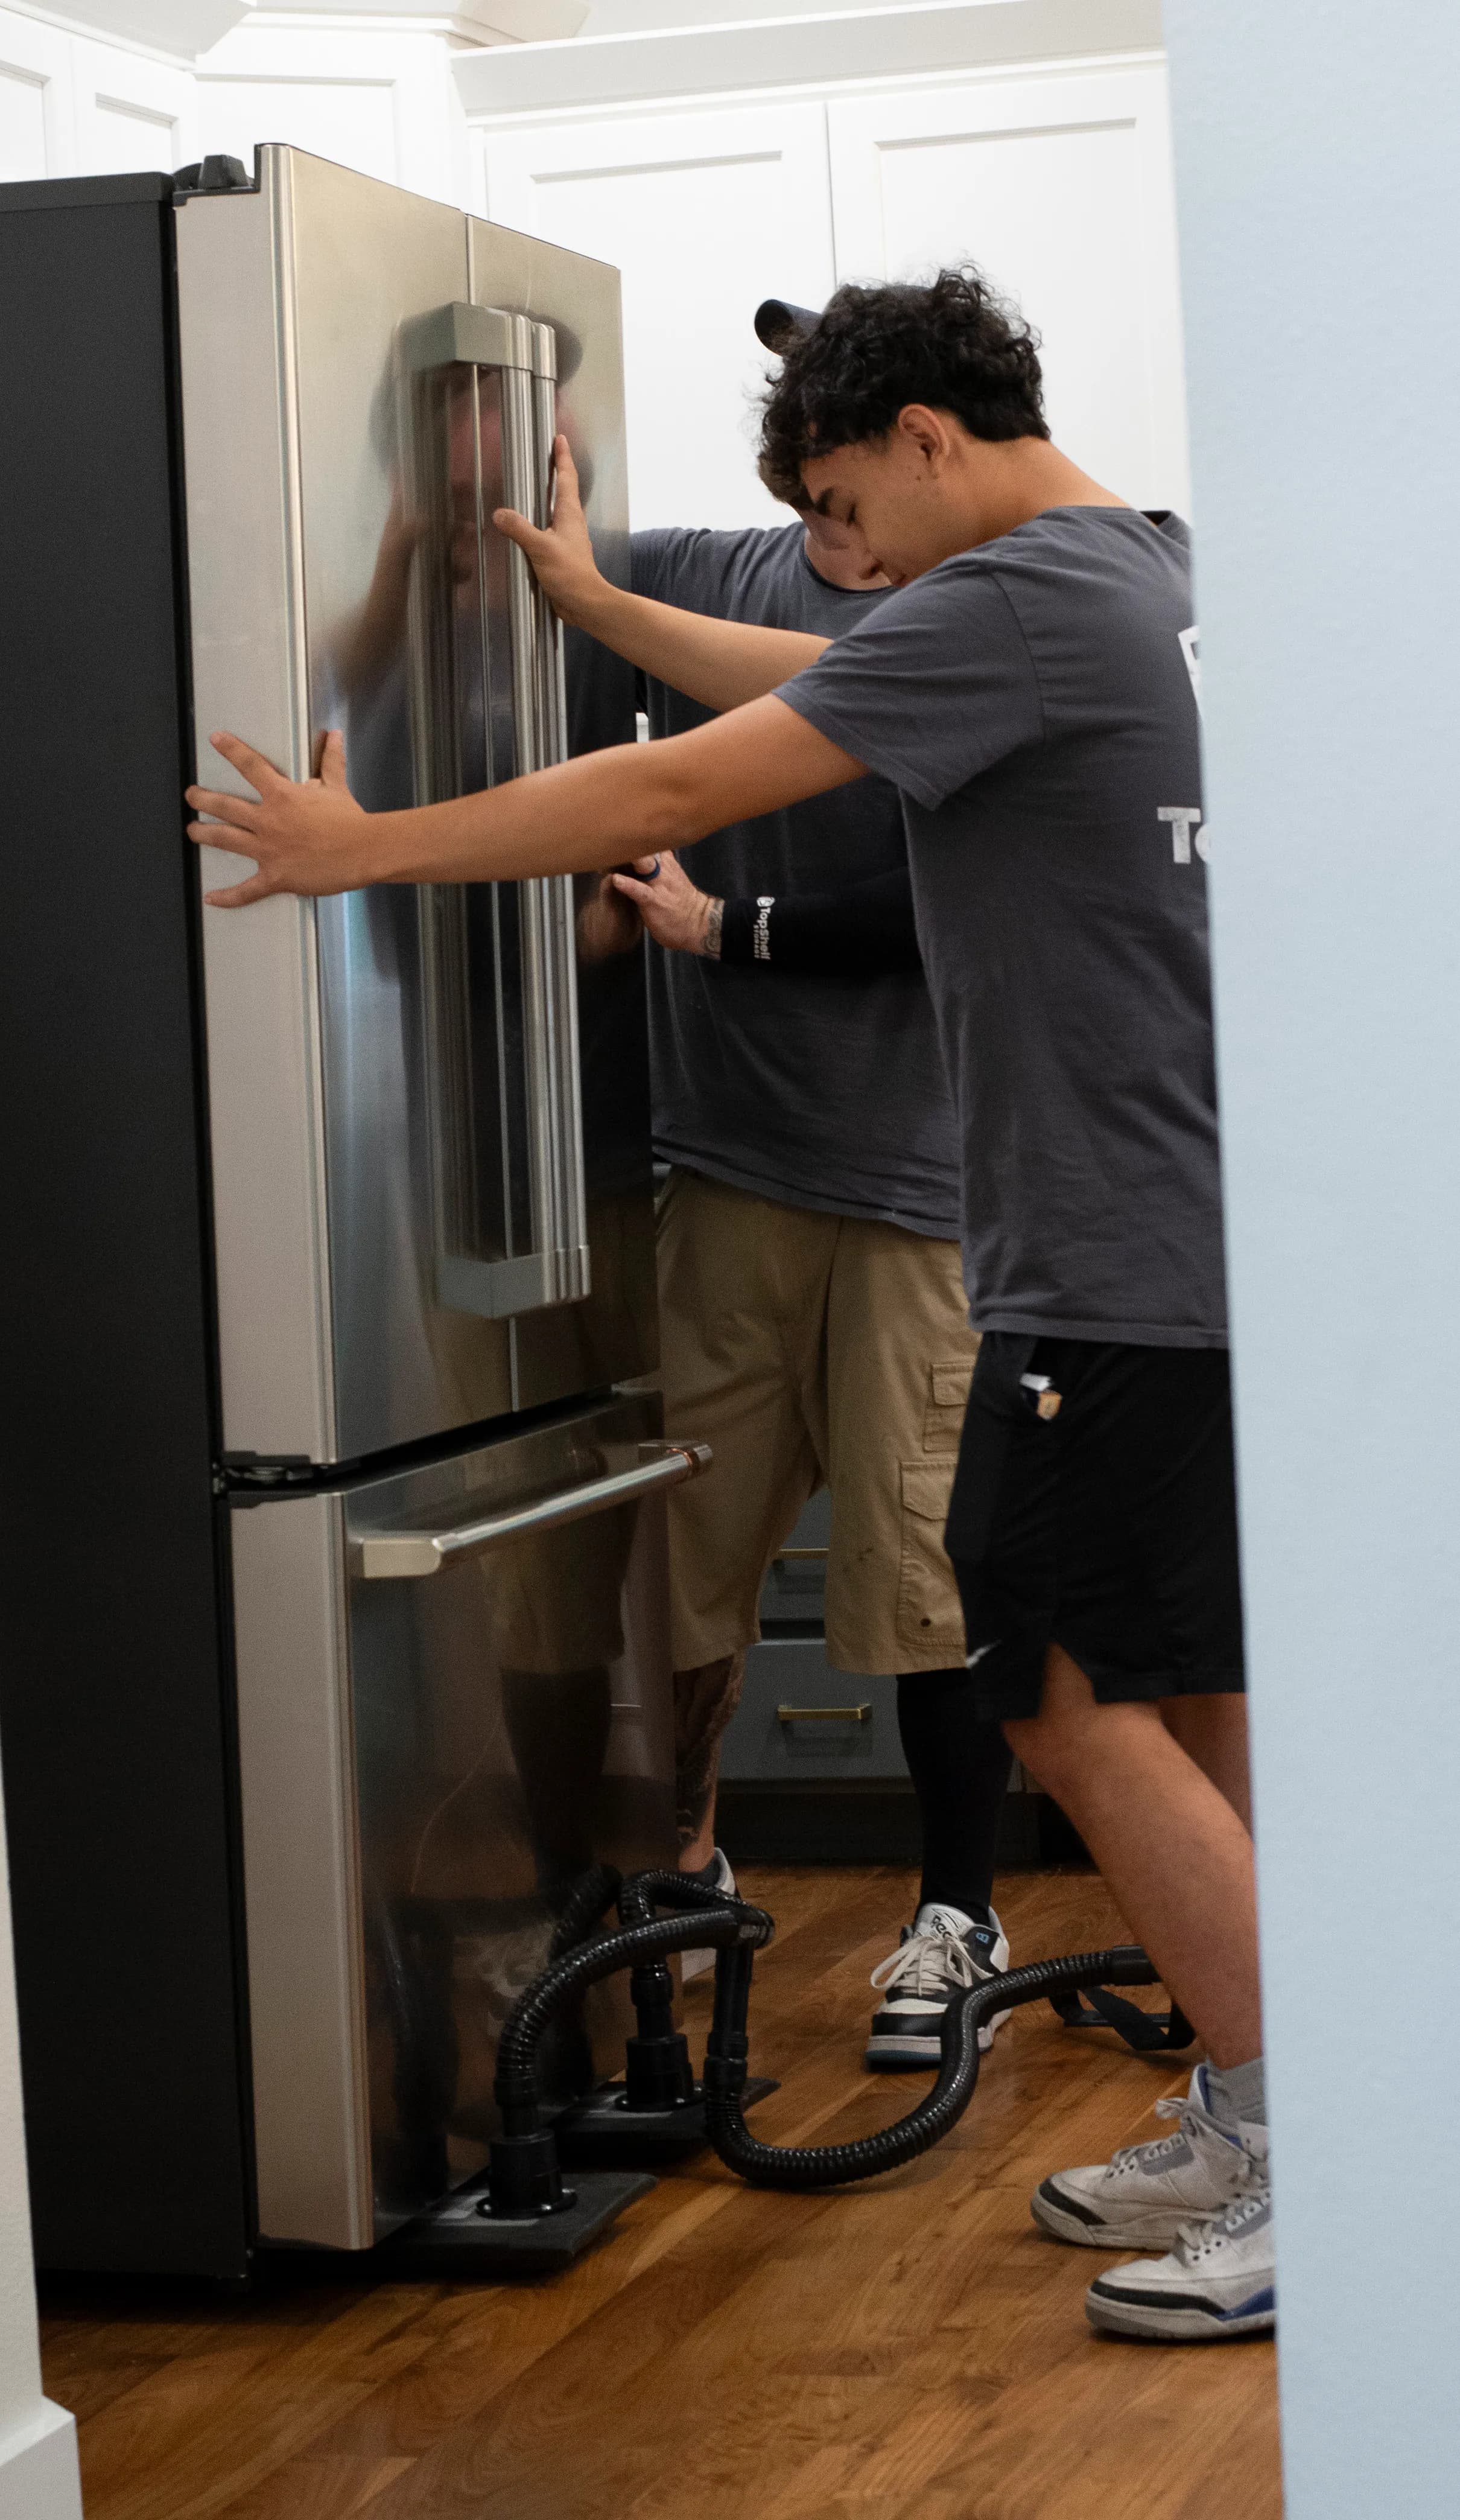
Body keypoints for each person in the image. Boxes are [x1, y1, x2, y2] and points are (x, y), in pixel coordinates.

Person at [181, 267, 1269, 2344]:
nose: (843, 542)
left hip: (1113, 1255)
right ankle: (1276, 2103)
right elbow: (802, 669)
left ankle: (1299, 2143)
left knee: (1056, 1691)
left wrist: (356, 848)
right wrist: (590, 610)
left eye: (851, 488)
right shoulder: (1132, 574)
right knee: (1189, 1699)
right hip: (1178, 1243)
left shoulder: (1026, 590)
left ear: (930, 440)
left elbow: (676, 793)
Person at [617, 437, 1013, 2066]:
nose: (825, 522)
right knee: (682, 1569)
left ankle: (954, 1917)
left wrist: (728, 931)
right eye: (804, 484)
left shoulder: (997, 613)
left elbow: (956, 920)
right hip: (729, 1168)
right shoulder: (708, 579)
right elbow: (486, 581)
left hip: (927, 1188)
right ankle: (684, 1865)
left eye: (846, 485)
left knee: (921, 1580)